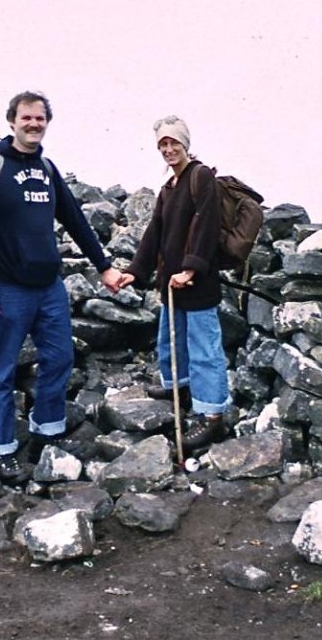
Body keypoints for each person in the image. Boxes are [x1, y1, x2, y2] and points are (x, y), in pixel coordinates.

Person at [0, 90, 122, 481]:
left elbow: (75, 221)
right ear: (12, 121)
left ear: (47, 122)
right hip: (7, 288)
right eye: (26, 118)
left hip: (49, 288)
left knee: (60, 358)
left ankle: (46, 434)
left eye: (40, 118)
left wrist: (104, 266)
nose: (33, 124)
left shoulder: (47, 169)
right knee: (1, 370)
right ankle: (0, 449)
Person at [118, 116, 230, 451]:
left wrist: (192, 269)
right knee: (172, 342)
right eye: (162, 145)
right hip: (172, 285)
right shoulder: (168, 188)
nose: (168, 149)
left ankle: (212, 415)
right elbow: (155, 233)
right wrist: (135, 272)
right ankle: (178, 387)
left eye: (173, 143)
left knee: (205, 351)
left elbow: (208, 226)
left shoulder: (201, 177)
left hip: (197, 284)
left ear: (185, 144)